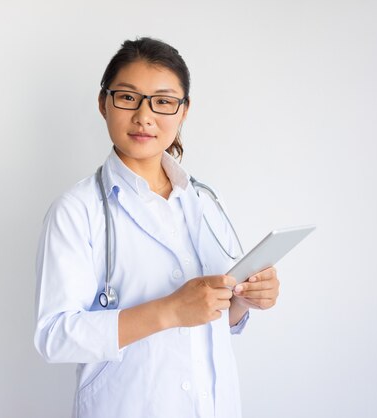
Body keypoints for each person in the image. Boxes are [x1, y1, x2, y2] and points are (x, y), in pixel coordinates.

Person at [33, 37, 280, 418]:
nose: (145, 116)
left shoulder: (205, 201)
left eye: (163, 101)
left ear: (183, 111)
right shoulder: (76, 211)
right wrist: (169, 311)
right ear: (103, 104)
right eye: (128, 98)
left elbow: (217, 315)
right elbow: (54, 337)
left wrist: (244, 300)